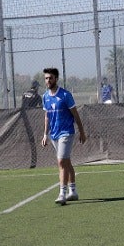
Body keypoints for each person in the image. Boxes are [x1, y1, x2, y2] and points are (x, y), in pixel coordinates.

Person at [40, 68, 87, 204]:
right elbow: (47, 116)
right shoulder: (45, 97)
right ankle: (73, 191)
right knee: (66, 162)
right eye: (46, 78)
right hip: (54, 134)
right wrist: (45, 134)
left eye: (50, 78)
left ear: (56, 79)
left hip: (66, 133)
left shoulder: (65, 95)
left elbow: (75, 114)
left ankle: (62, 193)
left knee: (61, 162)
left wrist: (82, 131)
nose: (48, 81)